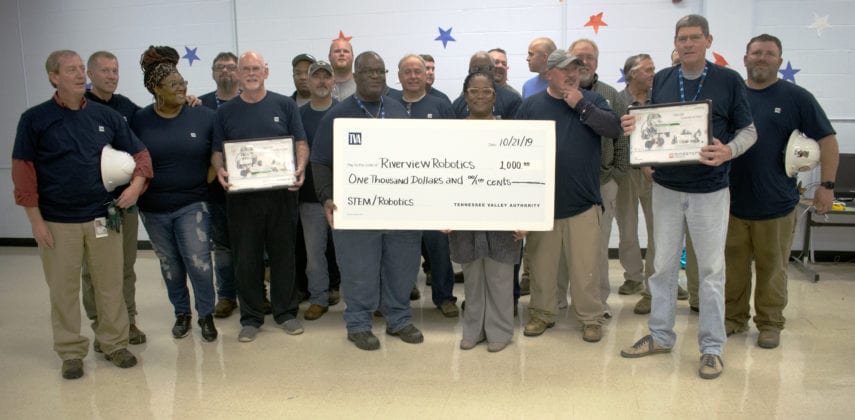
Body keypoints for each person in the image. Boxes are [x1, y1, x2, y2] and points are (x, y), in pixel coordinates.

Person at [620, 15, 757, 380]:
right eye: (682, 38)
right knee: (662, 267)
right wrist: (637, 134)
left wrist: (728, 151)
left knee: (711, 272)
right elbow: (654, 126)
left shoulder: (728, 80)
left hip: (710, 190)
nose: (688, 44)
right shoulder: (664, 78)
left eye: (695, 37)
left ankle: (712, 348)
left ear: (708, 41)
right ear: (675, 43)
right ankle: (660, 335)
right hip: (666, 188)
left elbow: (749, 131)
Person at [12, 50, 152, 379]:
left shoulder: (107, 117)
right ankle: (71, 351)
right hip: (57, 221)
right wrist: (35, 222)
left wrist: (135, 187)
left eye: (80, 69)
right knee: (63, 290)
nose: (79, 75)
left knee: (109, 285)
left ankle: (114, 343)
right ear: (53, 77)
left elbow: (141, 155)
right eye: (71, 70)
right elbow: (23, 172)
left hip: (103, 217)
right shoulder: (34, 119)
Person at [726, 34, 838, 349]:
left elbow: (828, 140)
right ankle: (733, 318)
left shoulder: (796, 97)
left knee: (772, 269)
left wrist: (827, 186)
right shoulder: (732, 96)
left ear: (779, 60)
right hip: (729, 203)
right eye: (756, 53)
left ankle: (770, 323)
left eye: (769, 53)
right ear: (745, 59)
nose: (761, 58)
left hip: (776, 204)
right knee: (732, 268)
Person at [311, 51, 424, 351]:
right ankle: (359, 324)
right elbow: (320, 161)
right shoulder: (337, 115)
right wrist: (327, 197)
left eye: (380, 71)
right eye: (368, 71)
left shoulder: (398, 110)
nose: (375, 76)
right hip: (355, 209)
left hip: (399, 208)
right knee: (358, 269)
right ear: (355, 75)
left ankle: (399, 319)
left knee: (402, 266)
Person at [517, 50, 621, 343]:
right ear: (548, 73)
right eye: (565, 70)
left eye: (576, 69)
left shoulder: (592, 100)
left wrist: (581, 105)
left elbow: (613, 128)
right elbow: (516, 151)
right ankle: (542, 313)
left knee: (586, 268)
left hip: (583, 202)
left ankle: (590, 317)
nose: (573, 74)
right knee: (542, 267)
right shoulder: (531, 106)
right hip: (542, 205)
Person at [211, 51, 309, 342]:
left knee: (284, 256)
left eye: (256, 68)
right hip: (242, 199)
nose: (251, 73)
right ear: (238, 74)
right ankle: (251, 317)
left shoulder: (285, 105)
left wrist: (300, 166)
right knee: (246, 259)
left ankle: (286, 313)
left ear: (265, 72)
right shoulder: (225, 112)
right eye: (246, 69)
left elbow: (301, 142)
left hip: (282, 195)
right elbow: (217, 151)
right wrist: (220, 169)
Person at [133, 45, 218, 342]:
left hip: (192, 203)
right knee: (170, 265)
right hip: (153, 207)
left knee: (199, 261)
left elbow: (216, 155)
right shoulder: (140, 120)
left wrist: (201, 182)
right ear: (156, 89)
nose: (181, 88)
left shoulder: (202, 116)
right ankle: (182, 313)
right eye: (173, 84)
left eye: (183, 82)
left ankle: (206, 315)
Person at [451, 71, 526, 353]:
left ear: (495, 96)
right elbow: (442, 175)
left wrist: (526, 218)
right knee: (472, 278)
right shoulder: (451, 133)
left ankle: (500, 331)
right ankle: (473, 329)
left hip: (503, 218)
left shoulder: (512, 133)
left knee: (500, 277)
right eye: (474, 91)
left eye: (486, 91)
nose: (480, 96)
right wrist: (442, 213)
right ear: (465, 96)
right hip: (465, 217)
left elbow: (524, 176)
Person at [81, 50, 146, 351]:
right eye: (105, 70)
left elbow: (155, 118)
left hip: (125, 202)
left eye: (115, 70)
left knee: (125, 266)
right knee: (94, 270)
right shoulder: (79, 107)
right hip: (90, 206)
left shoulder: (125, 108)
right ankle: (102, 325)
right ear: (90, 74)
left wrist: (186, 101)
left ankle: (127, 320)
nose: (111, 76)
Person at [390, 54, 458, 317]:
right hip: (399, 190)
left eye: (418, 71)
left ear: (426, 75)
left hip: (434, 192)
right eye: (407, 72)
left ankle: (444, 297)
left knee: (438, 248)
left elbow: (455, 145)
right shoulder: (388, 105)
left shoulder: (440, 105)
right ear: (399, 76)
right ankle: (399, 296)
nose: (413, 76)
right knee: (399, 248)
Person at [566, 38, 629, 315]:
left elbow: (622, 135)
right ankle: (560, 301)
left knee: (598, 247)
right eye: (578, 57)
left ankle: (599, 302)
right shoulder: (560, 93)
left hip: (603, 182)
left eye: (589, 57)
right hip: (568, 185)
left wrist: (617, 173)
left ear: (597, 61)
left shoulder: (610, 94)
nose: (584, 63)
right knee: (565, 250)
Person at [298, 60, 342, 321]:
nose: (322, 81)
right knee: (314, 254)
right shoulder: (298, 115)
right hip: (310, 197)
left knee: (347, 252)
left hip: (343, 197)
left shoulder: (344, 112)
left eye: (327, 76)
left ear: (333, 81)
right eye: (317, 77)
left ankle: (355, 299)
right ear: (308, 81)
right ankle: (318, 298)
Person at [198, 51, 241, 319]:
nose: (225, 70)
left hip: (249, 189)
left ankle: (256, 293)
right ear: (213, 72)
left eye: (231, 66)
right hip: (215, 190)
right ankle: (226, 296)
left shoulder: (250, 100)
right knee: (223, 247)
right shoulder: (199, 105)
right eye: (220, 67)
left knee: (252, 245)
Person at [452, 51, 521, 120]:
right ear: (469, 71)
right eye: (475, 68)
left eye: (485, 68)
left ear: (493, 70)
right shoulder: (458, 104)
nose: (480, 96)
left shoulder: (512, 100)